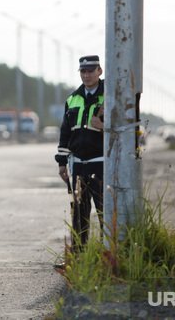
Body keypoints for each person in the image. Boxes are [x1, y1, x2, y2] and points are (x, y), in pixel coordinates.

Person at [55, 54, 105, 251]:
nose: (86, 75)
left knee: (104, 212)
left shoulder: (110, 95)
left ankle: (108, 254)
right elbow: (65, 132)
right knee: (79, 213)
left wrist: (103, 126)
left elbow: (123, 128)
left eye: (91, 71)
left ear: (99, 71)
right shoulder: (73, 98)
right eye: (83, 71)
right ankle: (79, 255)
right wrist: (61, 162)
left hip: (101, 163)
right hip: (77, 164)